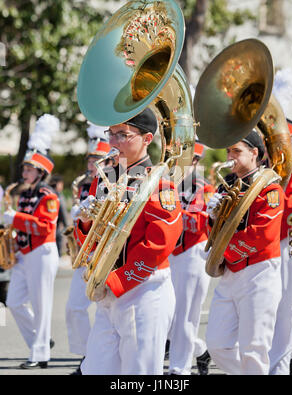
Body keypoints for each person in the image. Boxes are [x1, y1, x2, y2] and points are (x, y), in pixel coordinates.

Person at [73, 108, 183, 375]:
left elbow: (160, 241)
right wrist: (86, 221)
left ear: (146, 139)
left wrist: (116, 280)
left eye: (123, 134)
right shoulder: (104, 179)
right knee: (96, 370)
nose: (113, 142)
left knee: (139, 374)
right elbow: (89, 238)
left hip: (144, 289)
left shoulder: (159, 182)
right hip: (108, 289)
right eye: (111, 133)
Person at [205, 129, 284, 375]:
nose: (230, 156)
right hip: (231, 273)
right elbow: (214, 232)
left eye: (236, 151)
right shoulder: (224, 187)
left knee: (253, 349)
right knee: (216, 345)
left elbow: (263, 234)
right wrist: (212, 217)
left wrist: (222, 251)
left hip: (258, 272)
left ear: (254, 153)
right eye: (229, 151)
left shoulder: (269, 189)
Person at [4, 114, 60, 369]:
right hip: (25, 253)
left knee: (41, 304)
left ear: (40, 172)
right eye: (24, 168)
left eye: (28, 169)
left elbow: (45, 226)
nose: (23, 172)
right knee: (14, 302)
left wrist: (15, 218)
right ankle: (41, 341)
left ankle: (39, 354)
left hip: (42, 252)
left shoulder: (48, 195)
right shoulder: (25, 194)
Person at [65, 122, 111, 375]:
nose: (91, 162)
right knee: (74, 307)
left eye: (97, 158)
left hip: (105, 250)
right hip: (83, 251)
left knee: (106, 311)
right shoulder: (84, 183)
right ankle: (86, 357)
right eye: (90, 158)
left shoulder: (113, 180)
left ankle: (91, 363)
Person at [167, 140, 214, 375]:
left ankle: (179, 369)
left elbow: (198, 224)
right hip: (170, 254)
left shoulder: (203, 187)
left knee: (185, 315)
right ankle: (200, 350)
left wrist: (173, 211)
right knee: (167, 316)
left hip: (193, 253)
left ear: (195, 161)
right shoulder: (168, 184)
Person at [268, 129, 292, 375]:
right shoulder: (261, 170)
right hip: (262, 245)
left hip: (287, 243)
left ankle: (279, 365)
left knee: (287, 308)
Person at [49, 174, 68, 257]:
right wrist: (66, 225)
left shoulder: (46, 193)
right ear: (59, 184)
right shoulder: (57, 195)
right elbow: (62, 211)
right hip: (55, 228)